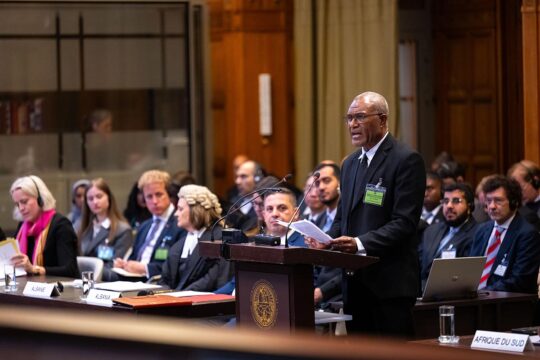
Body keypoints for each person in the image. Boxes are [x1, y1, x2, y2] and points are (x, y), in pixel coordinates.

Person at [306, 91, 425, 338]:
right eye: (349, 118)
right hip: (355, 285)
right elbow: (343, 219)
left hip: (389, 286)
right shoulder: (350, 164)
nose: (352, 124)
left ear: (382, 120)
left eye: (360, 117)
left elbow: (404, 223)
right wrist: (326, 241)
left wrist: (359, 243)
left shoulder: (406, 160)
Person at [469, 175, 540, 294]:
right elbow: (470, 269)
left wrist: (483, 292)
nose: (491, 206)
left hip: (510, 304)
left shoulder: (527, 234)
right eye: (489, 200)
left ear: (514, 202)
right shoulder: (482, 230)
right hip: (476, 300)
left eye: (498, 200)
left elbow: (520, 280)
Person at [113, 170, 185, 280]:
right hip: (134, 280)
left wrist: (145, 268)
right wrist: (124, 264)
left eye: (159, 194)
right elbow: (135, 258)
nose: (155, 201)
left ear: (169, 195)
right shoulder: (144, 226)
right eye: (149, 197)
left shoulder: (180, 224)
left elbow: (178, 266)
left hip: (158, 282)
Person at [160, 185, 232, 291]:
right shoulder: (179, 245)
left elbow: (212, 280)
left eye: (180, 209)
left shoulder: (220, 239)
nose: (176, 214)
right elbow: (165, 280)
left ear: (196, 210)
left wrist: (179, 296)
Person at [9, 175, 78, 277]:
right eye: (17, 204)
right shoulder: (22, 226)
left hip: (56, 289)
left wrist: (34, 269)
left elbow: (69, 270)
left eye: (24, 202)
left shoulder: (61, 225)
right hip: (26, 288)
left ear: (40, 199)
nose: (21, 208)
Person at [419, 183, 478, 288]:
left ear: (470, 206)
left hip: (450, 293)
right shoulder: (431, 230)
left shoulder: (477, 233)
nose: (449, 206)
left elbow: (464, 276)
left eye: (456, 201)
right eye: (445, 201)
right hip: (420, 290)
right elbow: (418, 264)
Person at [78, 178, 133, 281]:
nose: (95, 202)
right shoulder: (82, 228)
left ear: (109, 198)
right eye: (90, 198)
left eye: (99, 196)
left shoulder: (122, 230)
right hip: (82, 280)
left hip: (105, 281)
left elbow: (116, 266)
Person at [312, 162, 342, 308]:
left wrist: (323, 291)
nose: (321, 187)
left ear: (340, 183)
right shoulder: (319, 219)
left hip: (338, 297)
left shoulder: (349, 220)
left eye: (327, 180)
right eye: (317, 183)